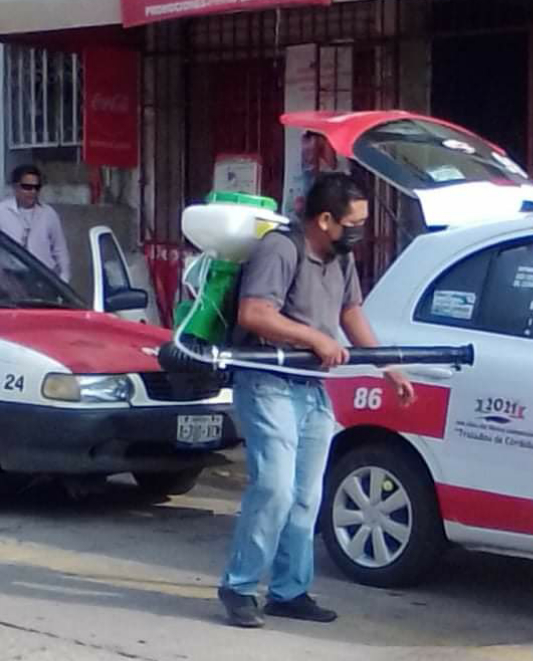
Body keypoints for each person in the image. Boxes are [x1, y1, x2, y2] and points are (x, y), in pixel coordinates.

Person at [218, 172, 416, 628]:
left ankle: (289, 591)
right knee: (274, 487)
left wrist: (385, 366)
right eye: (354, 222)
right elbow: (255, 313)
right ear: (325, 220)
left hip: (310, 387)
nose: (359, 232)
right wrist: (313, 338)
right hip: (268, 381)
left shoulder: (339, 258)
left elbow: (350, 312)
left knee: (307, 496)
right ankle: (240, 585)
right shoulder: (280, 249)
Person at [0, 165, 71, 282]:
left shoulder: (48, 213)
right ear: (15, 187)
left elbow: (60, 249)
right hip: (12, 277)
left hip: (44, 277)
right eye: (27, 187)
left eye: (37, 188)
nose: (32, 192)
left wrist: (64, 278)